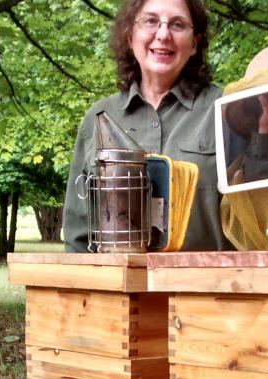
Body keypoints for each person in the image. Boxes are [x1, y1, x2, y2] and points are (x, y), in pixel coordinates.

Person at [63, 0, 234, 252]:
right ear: (130, 36)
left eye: (177, 24)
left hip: (207, 288)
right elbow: (78, 237)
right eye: (151, 21)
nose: (163, 34)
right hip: (118, 289)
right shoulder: (97, 118)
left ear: (195, 42)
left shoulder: (227, 109)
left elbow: (258, 213)